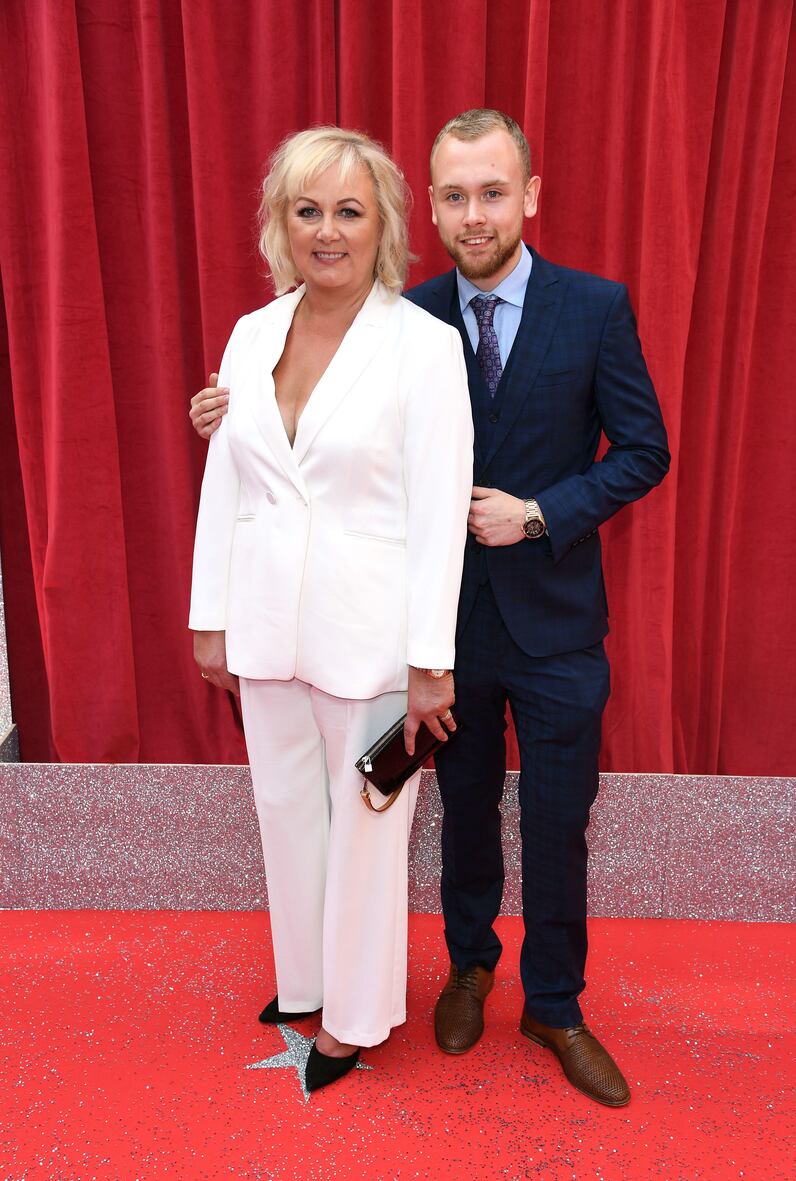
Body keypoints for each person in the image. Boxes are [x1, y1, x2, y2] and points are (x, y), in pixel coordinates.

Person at [191, 110, 670, 1107]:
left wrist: (543, 512)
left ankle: (555, 1004)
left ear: (528, 195)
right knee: (452, 821)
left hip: (538, 618)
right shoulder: (381, 311)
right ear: (431, 208)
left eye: (491, 192)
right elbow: (284, 446)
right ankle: (465, 968)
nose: (473, 213)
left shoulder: (587, 308)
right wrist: (222, 412)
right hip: (427, 623)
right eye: (454, 195)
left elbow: (641, 449)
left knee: (552, 817)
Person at [188, 126, 473, 1094]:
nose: (327, 231)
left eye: (348, 210)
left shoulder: (424, 348)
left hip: (370, 642)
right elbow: (231, 479)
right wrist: (210, 613)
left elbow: (440, 510)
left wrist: (431, 658)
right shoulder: (250, 332)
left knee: (365, 830)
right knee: (283, 813)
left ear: (384, 224)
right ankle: (303, 979)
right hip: (268, 630)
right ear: (280, 223)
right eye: (307, 210)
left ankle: (353, 1017)